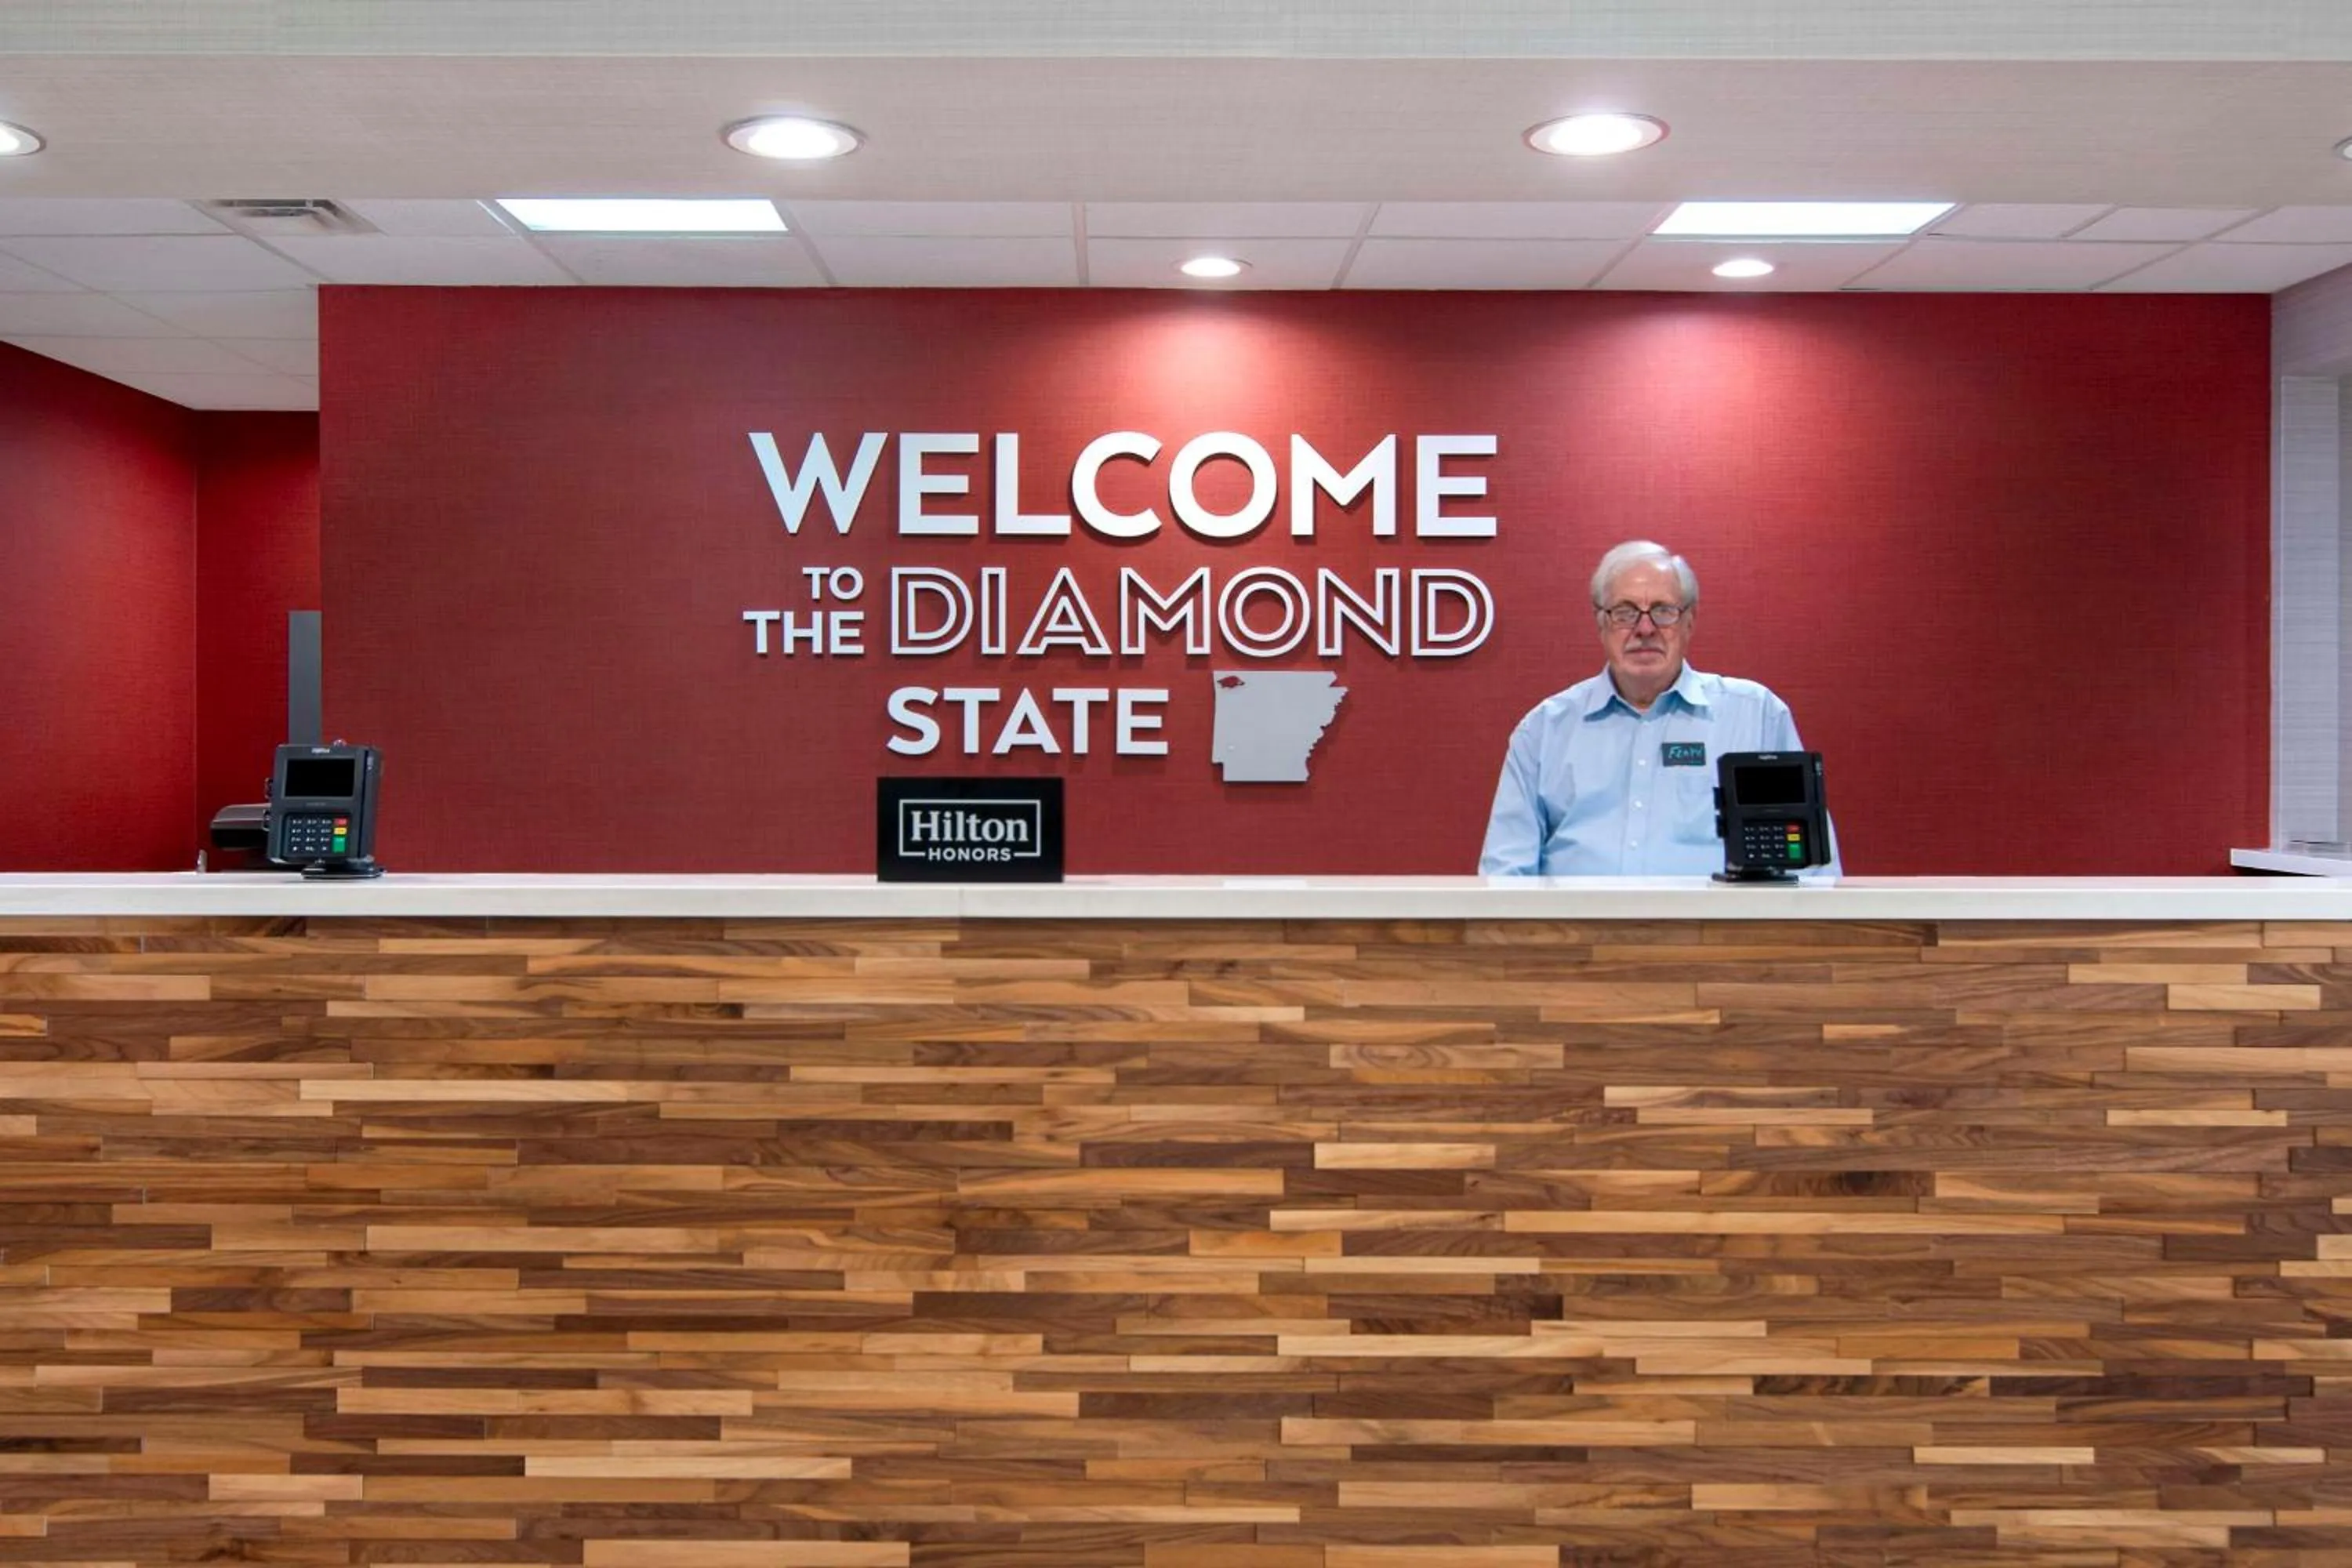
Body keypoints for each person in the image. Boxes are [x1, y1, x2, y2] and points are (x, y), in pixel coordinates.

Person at [1478, 539, 1838, 877]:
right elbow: (1506, 875)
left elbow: (1813, 873)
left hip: (1719, 939)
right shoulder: (1545, 730)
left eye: (1663, 611)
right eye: (1625, 612)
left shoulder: (1756, 716)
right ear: (1601, 623)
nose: (1645, 628)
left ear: (1689, 622)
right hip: (1577, 939)